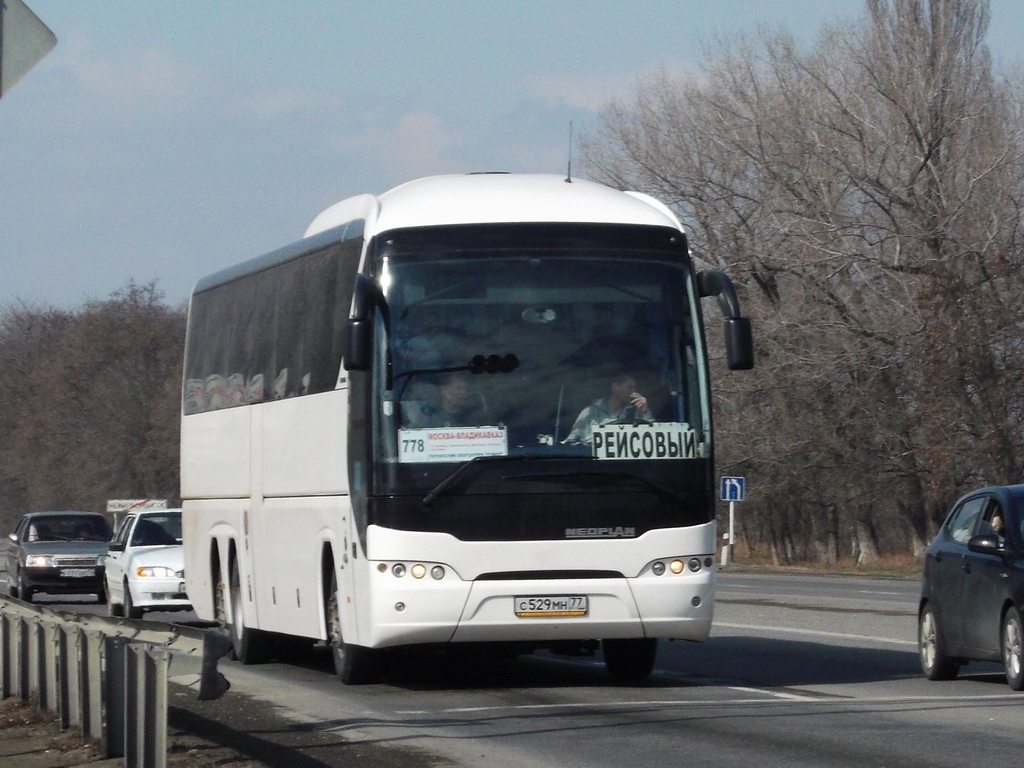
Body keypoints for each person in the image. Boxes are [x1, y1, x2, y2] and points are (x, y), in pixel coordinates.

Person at [563, 372, 653, 445]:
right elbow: (570, 442)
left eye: (635, 388)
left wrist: (645, 410)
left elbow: (655, 437)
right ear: (615, 387)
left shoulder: (637, 412)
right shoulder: (590, 413)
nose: (633, 392)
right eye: (630, 388)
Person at [406, 371, 483, 428]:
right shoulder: (428, 417)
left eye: (465, 389)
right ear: (444, 390)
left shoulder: (472, 417)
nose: (463, 392)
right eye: (458, 389)